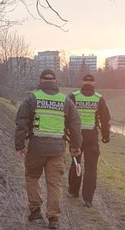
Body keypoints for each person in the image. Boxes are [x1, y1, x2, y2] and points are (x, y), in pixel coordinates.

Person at [15, 69, 82, 229]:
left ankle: (35, 209)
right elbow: (75, 125)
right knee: (55, 184)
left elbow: (21, 123)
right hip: (57, 150)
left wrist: (20, 146)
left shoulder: (31, 99)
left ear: (40, 81)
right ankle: (53, 218)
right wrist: (76, 146)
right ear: (56, 82)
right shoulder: (66, 101)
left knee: (32, 177)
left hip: (36, 148)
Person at [67, 73, 111, 208]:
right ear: (94, 84)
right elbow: (105, 119)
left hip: (76, 136)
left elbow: (66, 115)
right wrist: (105, 136)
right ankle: (88, 199)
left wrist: (66, 133)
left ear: (82, 82)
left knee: (76, 163)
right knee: (91, 168)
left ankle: (74, 191)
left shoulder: (73, 96)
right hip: (91, 136)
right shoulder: (99, 99)